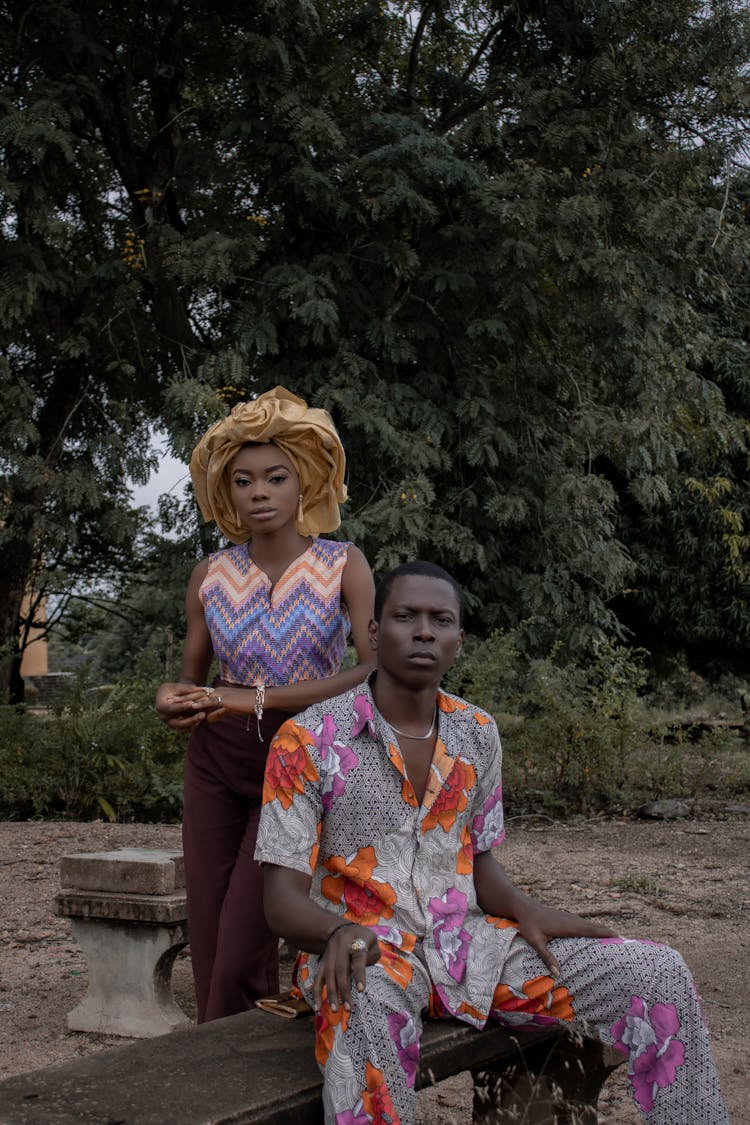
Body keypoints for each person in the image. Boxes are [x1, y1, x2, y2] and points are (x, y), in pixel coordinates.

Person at [255, 561, 729, 1125]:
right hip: (363, 955)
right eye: (406, 616)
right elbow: (281, 900)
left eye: (441, 620)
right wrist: (339, 932)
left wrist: (525, 909)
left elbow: (474, 856)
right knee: (361, 1000)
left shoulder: (477, 732)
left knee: (658, 971)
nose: (424, 631)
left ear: (458, 641)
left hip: (468, 949)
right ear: (374, 634)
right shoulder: (307, 739)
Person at [155, 385, 375, 1024]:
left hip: (301, 757)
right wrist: (170, 699)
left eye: (275, 477)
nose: (259, 492)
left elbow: (373, 669)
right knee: (210, 928)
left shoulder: (344, 564)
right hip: (216, 758)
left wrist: (260, 698)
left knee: (249, 931)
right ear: (227, 493)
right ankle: (226, 1058)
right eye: (244, 480)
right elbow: (189, 682)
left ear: (302, 484)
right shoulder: (208, 574)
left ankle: (225, 1069)